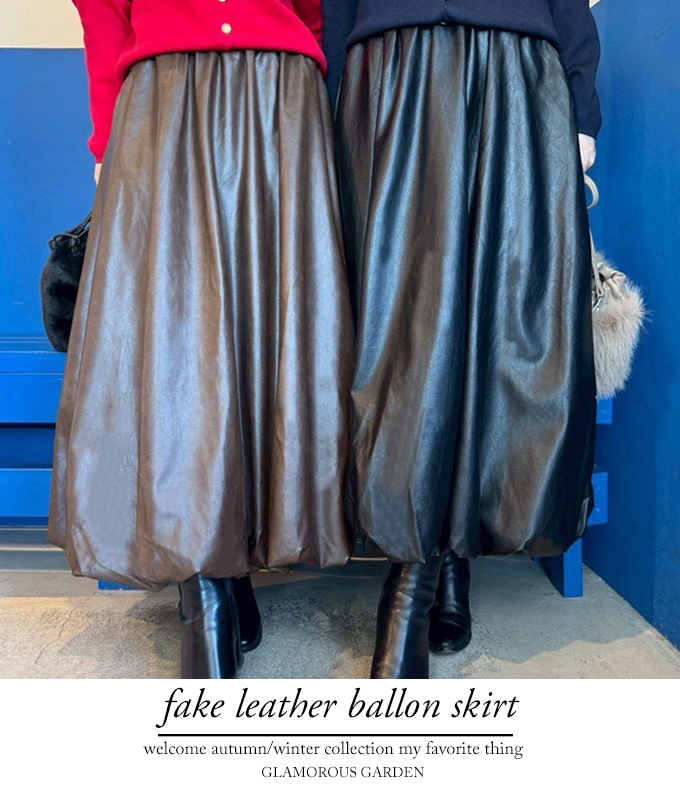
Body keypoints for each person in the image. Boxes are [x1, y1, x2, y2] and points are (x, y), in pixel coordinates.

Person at [49, 0, 354, 680]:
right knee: (177, 347)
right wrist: (109, 135)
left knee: (266, 334)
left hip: (281, 96)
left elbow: (316, 13)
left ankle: (231, 565)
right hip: (165, 97)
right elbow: (103, 12)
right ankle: (205, 597)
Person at [324, 0, 601, 678]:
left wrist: (581, 103)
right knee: (403, 333)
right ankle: (418, 569)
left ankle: (443, 565)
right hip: (392, 70)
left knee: (499, 320)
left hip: (517, 68)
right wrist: (329, 95)